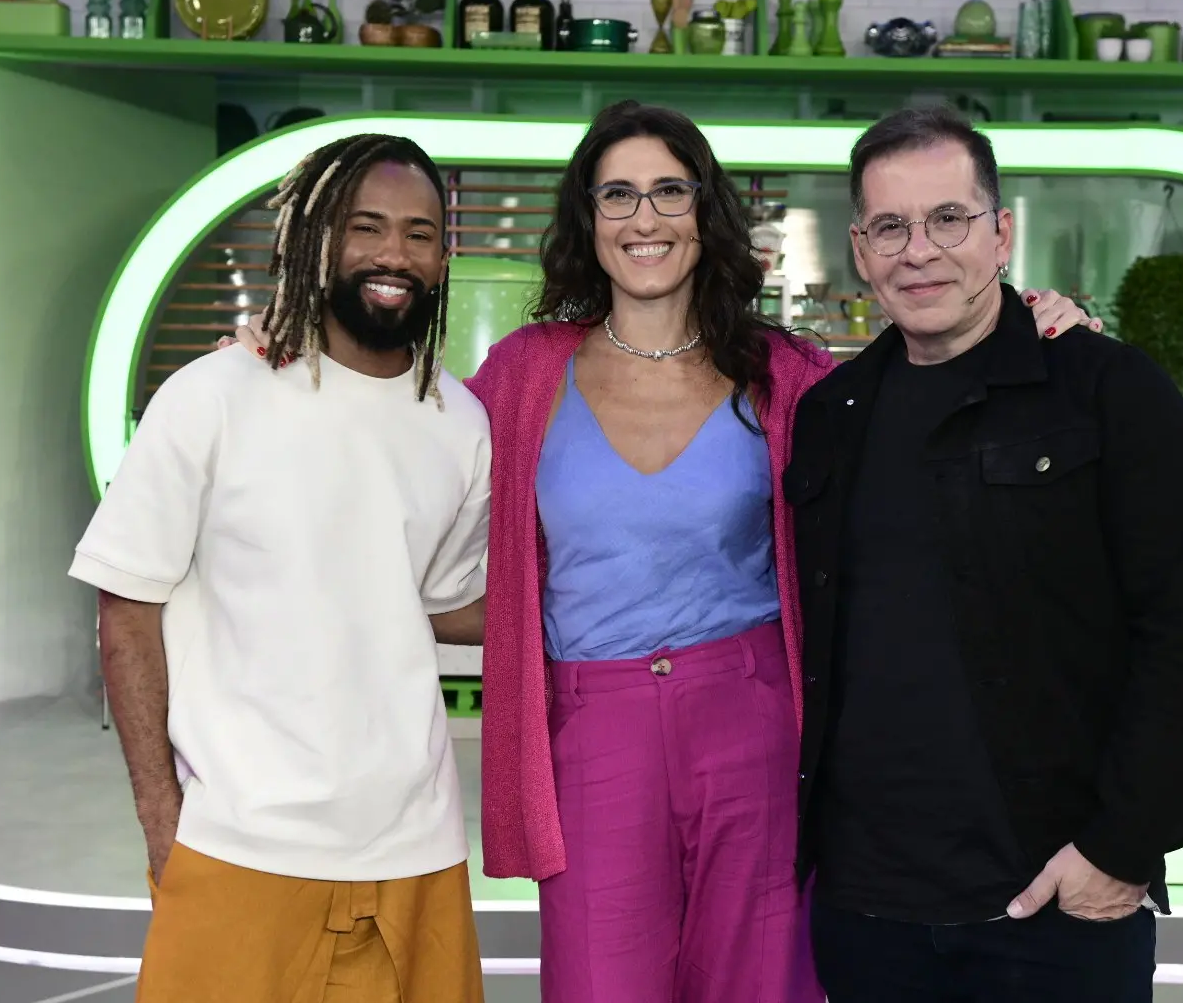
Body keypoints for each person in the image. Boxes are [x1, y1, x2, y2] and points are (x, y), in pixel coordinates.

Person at [233, 101, 1099, 1002]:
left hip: (756, 724)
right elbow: (394, 434)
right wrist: (283, 363)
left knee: (758, 984)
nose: (643, 218)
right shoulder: (522, 375)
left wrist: (1028, 323)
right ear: (587, 218)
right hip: (591, 731)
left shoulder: (788, 374)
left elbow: (930, 416)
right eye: (617, 195)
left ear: (703, 211)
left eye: (668, 192)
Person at [784, 104, 1183, 1003]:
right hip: (865, 909)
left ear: (1001, 234)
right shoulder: (830, 414)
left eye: (947, 219)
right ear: (860, 251)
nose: (918, 251)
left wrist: (1117, 850)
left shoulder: (1109, 391)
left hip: (1053, 907)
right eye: (890, 227)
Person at [71, 134, 490, 1003]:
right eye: (365, 227)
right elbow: (127, 608)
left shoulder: (460, 420)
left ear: (443, 259)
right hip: (240, 844)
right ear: (315, 240)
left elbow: (443, 602)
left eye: (419, 233)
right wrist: (161, 816)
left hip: (418, 847)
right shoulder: (213, 395)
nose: (394, 254)